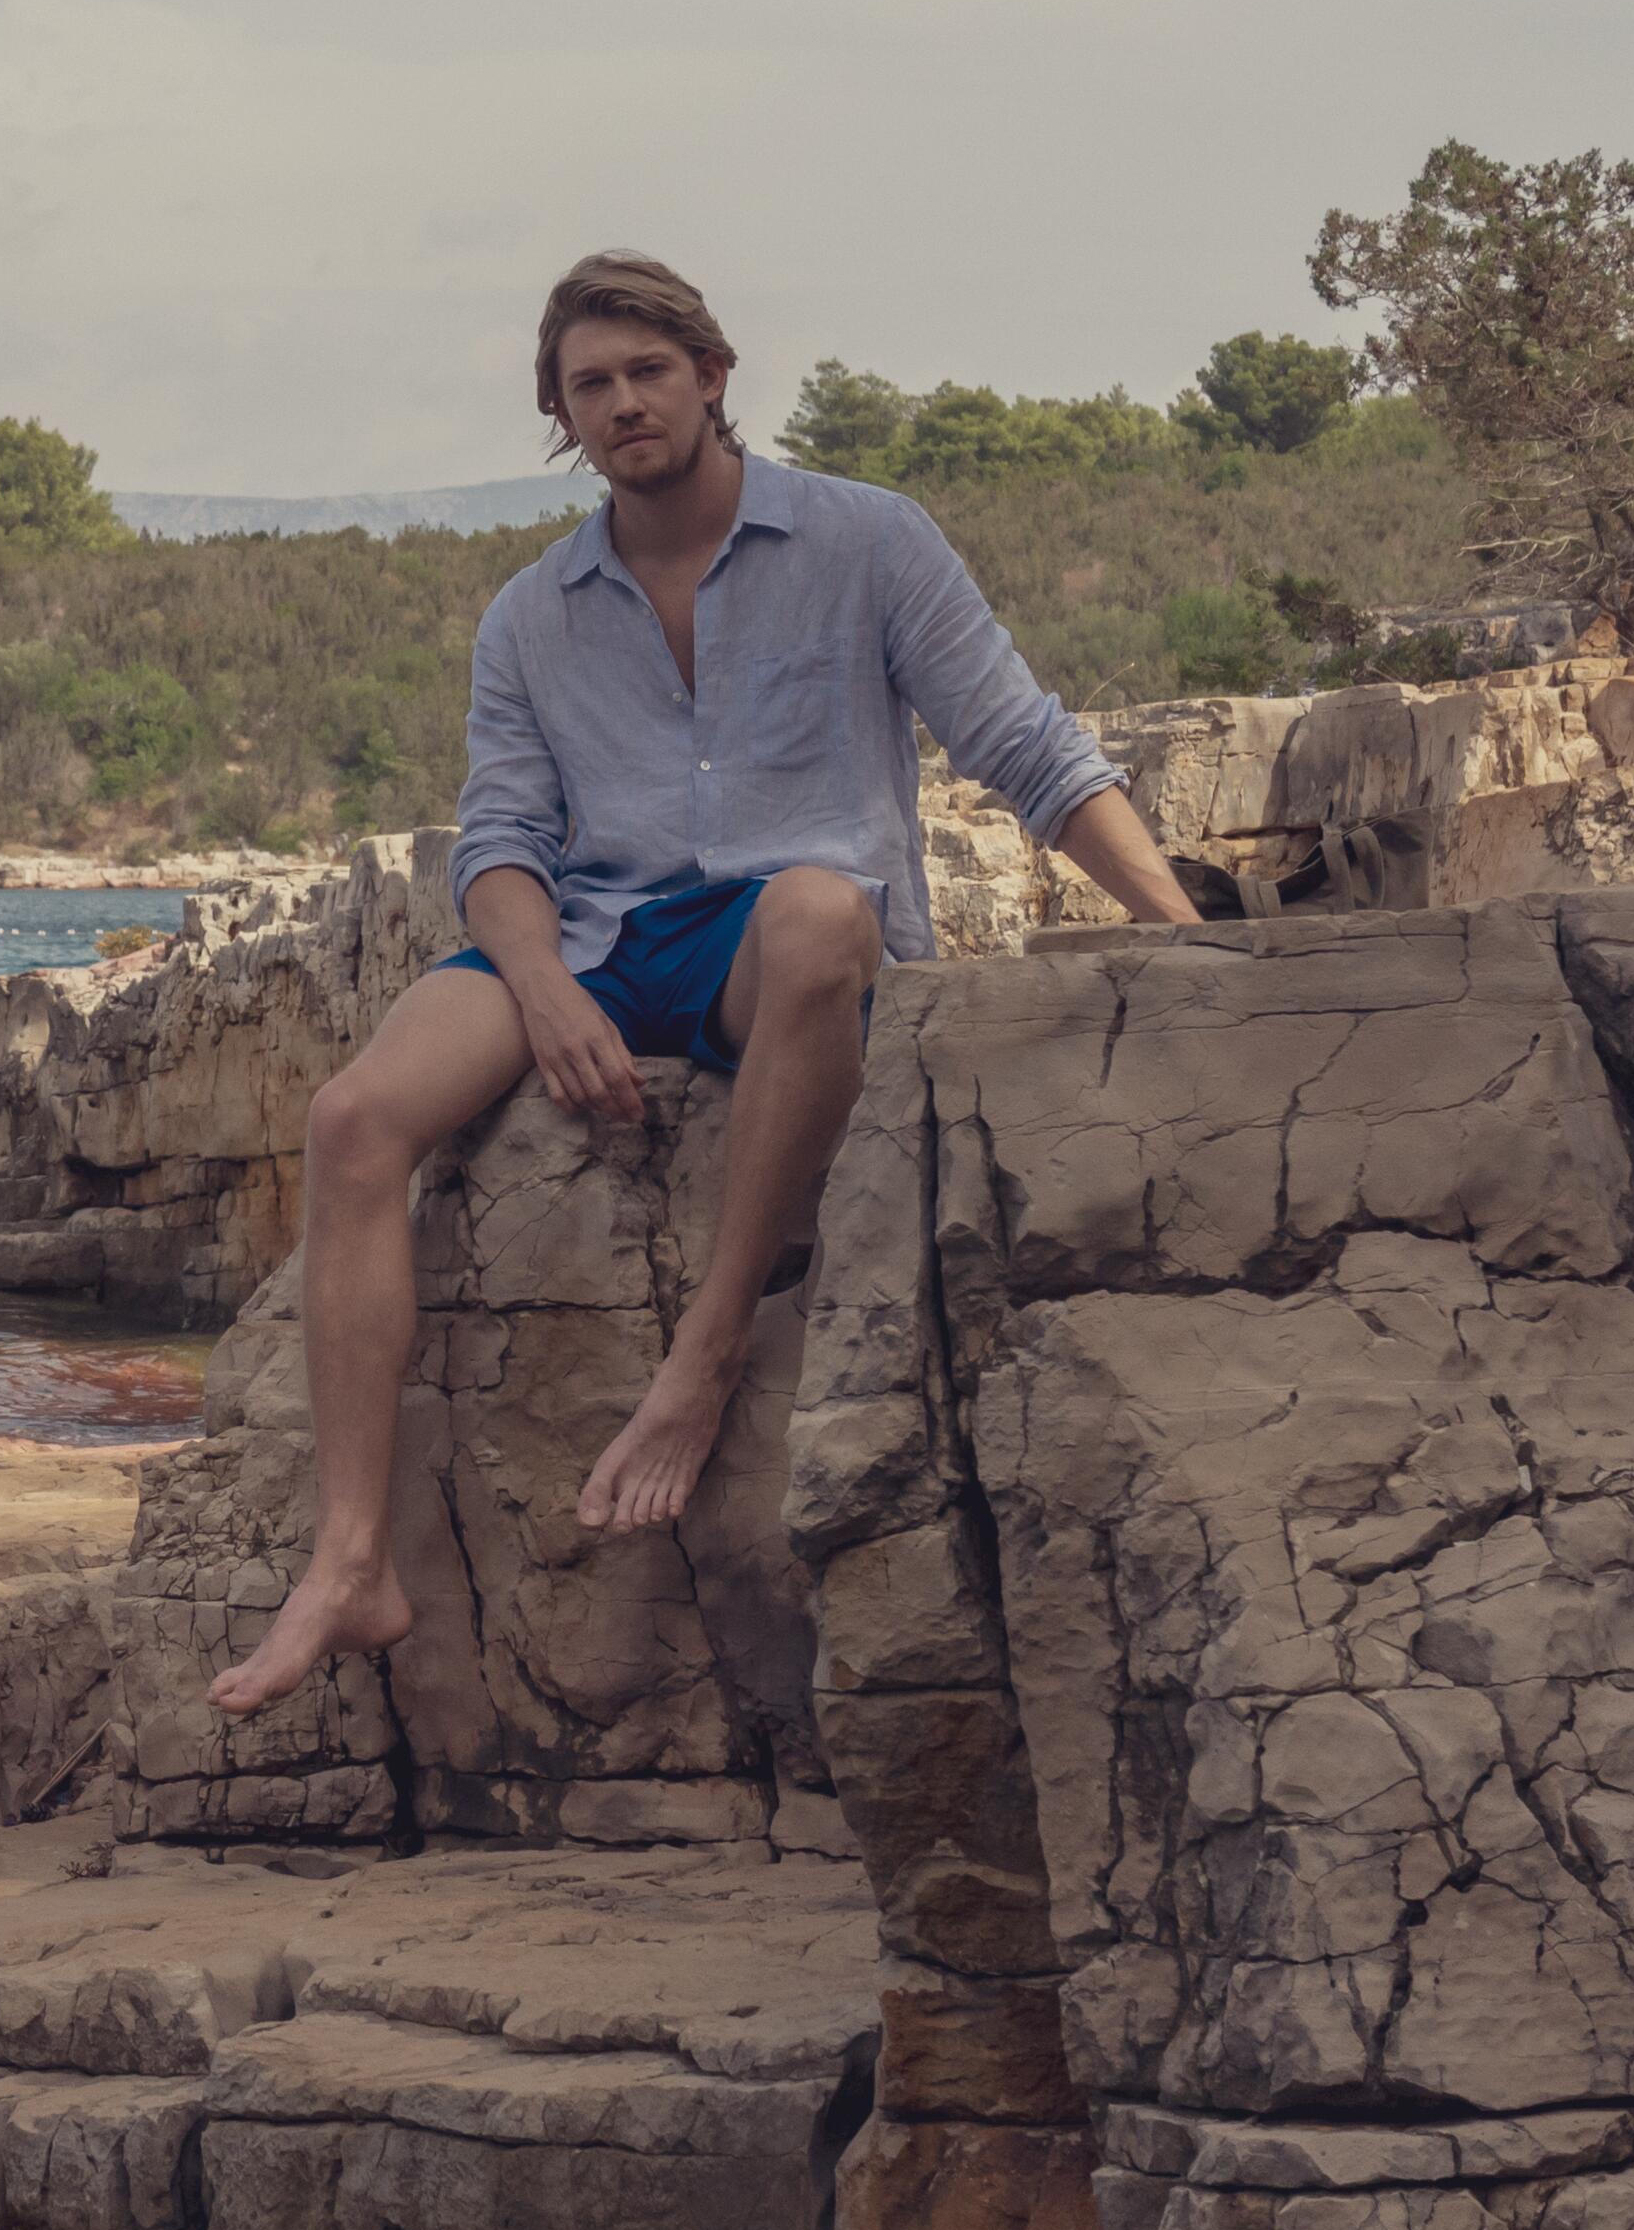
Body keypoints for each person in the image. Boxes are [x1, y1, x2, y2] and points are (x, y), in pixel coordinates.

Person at [209, 250, 1202, 1720]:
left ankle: (707, 1346)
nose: (621, 404)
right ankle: (349, 1560)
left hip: (776, 948)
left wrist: (1191, 936)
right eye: (588, 386)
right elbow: (496, 841)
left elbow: (1028, 746)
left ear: (711, 374)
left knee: (817, 909)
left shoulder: (867, 540)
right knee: (356, 1116)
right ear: (558, 415)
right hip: (598, 933)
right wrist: (539, 985)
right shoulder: (530, 614)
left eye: (645, 372)